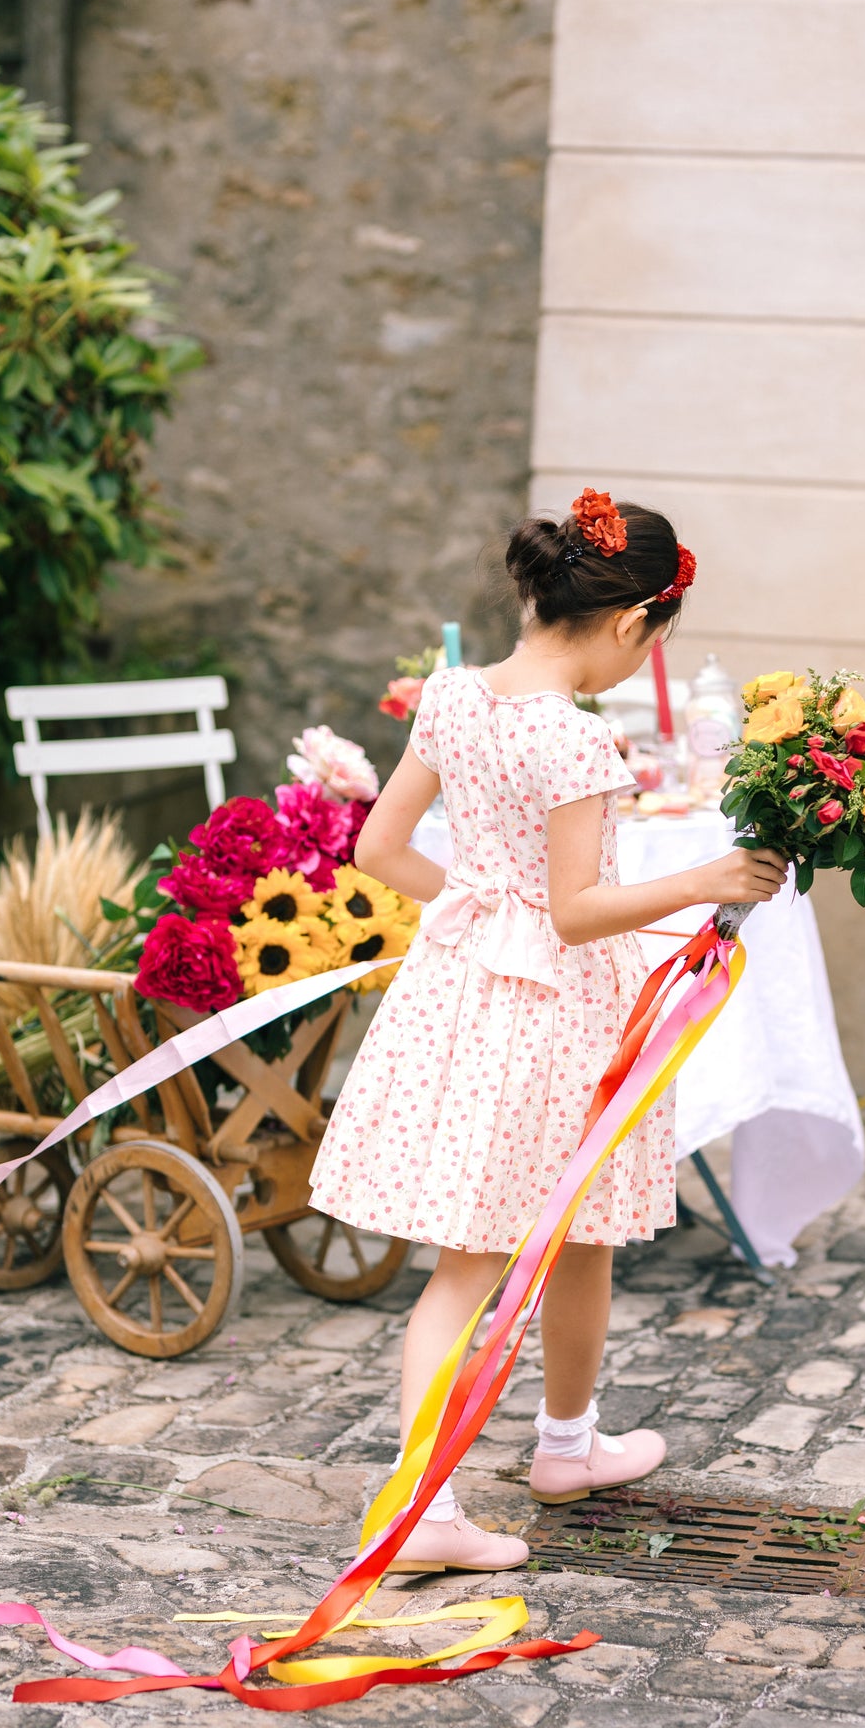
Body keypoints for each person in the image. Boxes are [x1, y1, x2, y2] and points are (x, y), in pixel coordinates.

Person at [309, 490, 787, 1573]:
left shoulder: (452, 696)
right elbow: (575, 911)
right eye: (653, 641)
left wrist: (477, 903)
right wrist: (708, 877)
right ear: (630, 621)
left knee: (578, 1231)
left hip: (464, 994)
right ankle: (421, 1511)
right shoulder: (573, 741)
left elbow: (379, 849)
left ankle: (568, 1448)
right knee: (480, 1262)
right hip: (549, 1021)